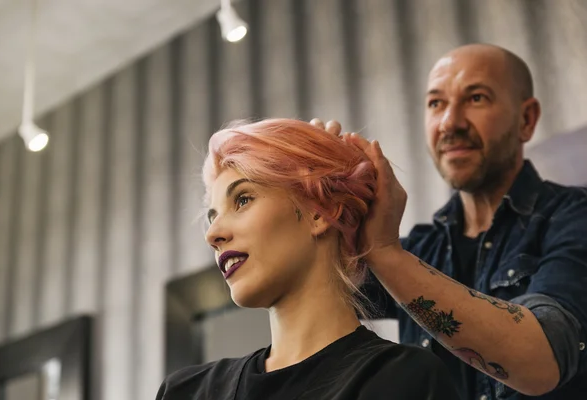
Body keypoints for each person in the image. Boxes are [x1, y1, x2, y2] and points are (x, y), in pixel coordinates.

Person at [312, 43, 587, 400]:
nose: (449, 123)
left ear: (526, 119)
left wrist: (383, 251)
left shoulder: (574, 218)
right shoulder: (420, 248)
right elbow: (316, 286)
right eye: (436, 103)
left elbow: (542, 361)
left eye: (476, 98)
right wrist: (316, 191)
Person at [155, 119, 460, 400]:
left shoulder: (402, 380)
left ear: (320, 212)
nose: (213, 234)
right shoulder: (185, 392)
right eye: (213, 216)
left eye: (243, 199)